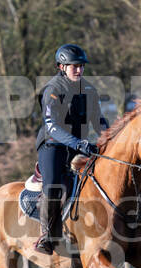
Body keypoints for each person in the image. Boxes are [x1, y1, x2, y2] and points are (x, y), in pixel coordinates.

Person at [34, 44, 110, 255]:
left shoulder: (89, 90)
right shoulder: (53, 90)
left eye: (81, 66)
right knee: (52, 187)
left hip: (79, 146)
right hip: (53, 146)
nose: (79, 70)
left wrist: (110, 137)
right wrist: (78, 143)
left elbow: (98, 120)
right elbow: (52, 126)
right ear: (61, 66)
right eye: (74, 66)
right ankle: (47, 236)